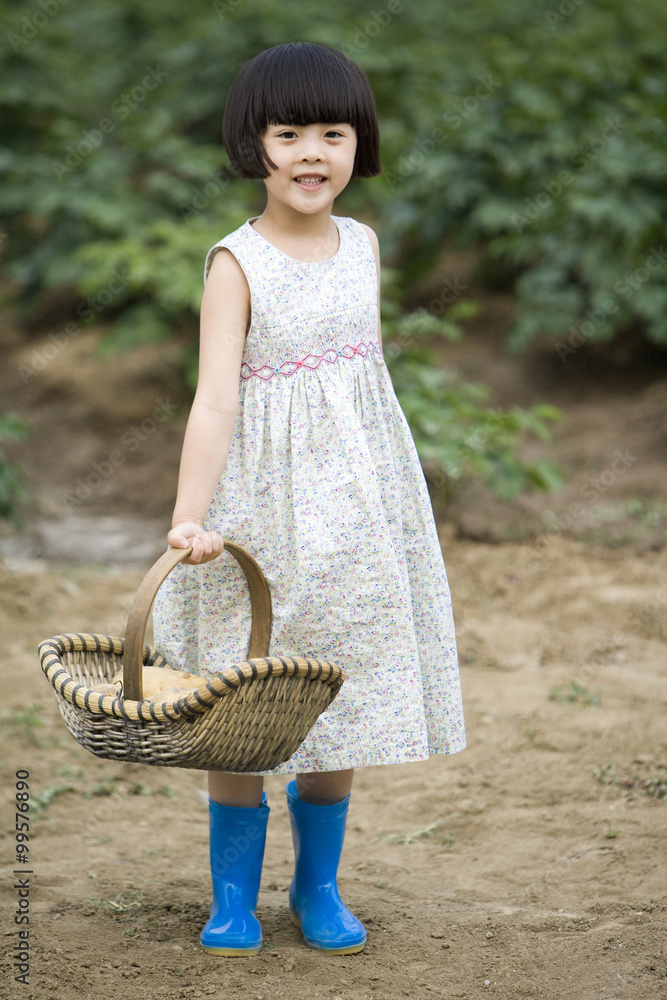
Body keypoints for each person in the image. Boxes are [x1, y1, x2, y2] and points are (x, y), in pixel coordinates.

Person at [152, 40, 466, 958]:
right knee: (243, 691)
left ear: (358, 144)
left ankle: (317, 887)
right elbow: (215, 398)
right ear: (253, 146)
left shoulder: (362, 244)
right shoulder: (234, 262)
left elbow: (358, 383)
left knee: (337, 681)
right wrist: (192, 516)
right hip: (261, 506)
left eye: (332, 132)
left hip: (358, 507)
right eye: (287, 133)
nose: (310, 152)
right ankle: (232, 898)